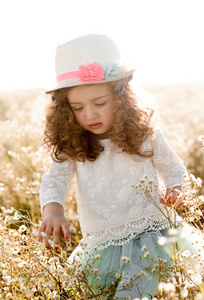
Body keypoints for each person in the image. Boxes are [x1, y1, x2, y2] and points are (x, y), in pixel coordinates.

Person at [38, 34, 200, 299]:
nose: (89, 114)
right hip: (103, 244)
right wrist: (53, 210)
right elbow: (54, 180)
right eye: (77, 107)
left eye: (99, 103)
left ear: (121, 95)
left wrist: (177, 187)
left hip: (151, 237)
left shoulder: (144, 132)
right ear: (65, 109)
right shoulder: (73, 143)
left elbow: (172, 167)